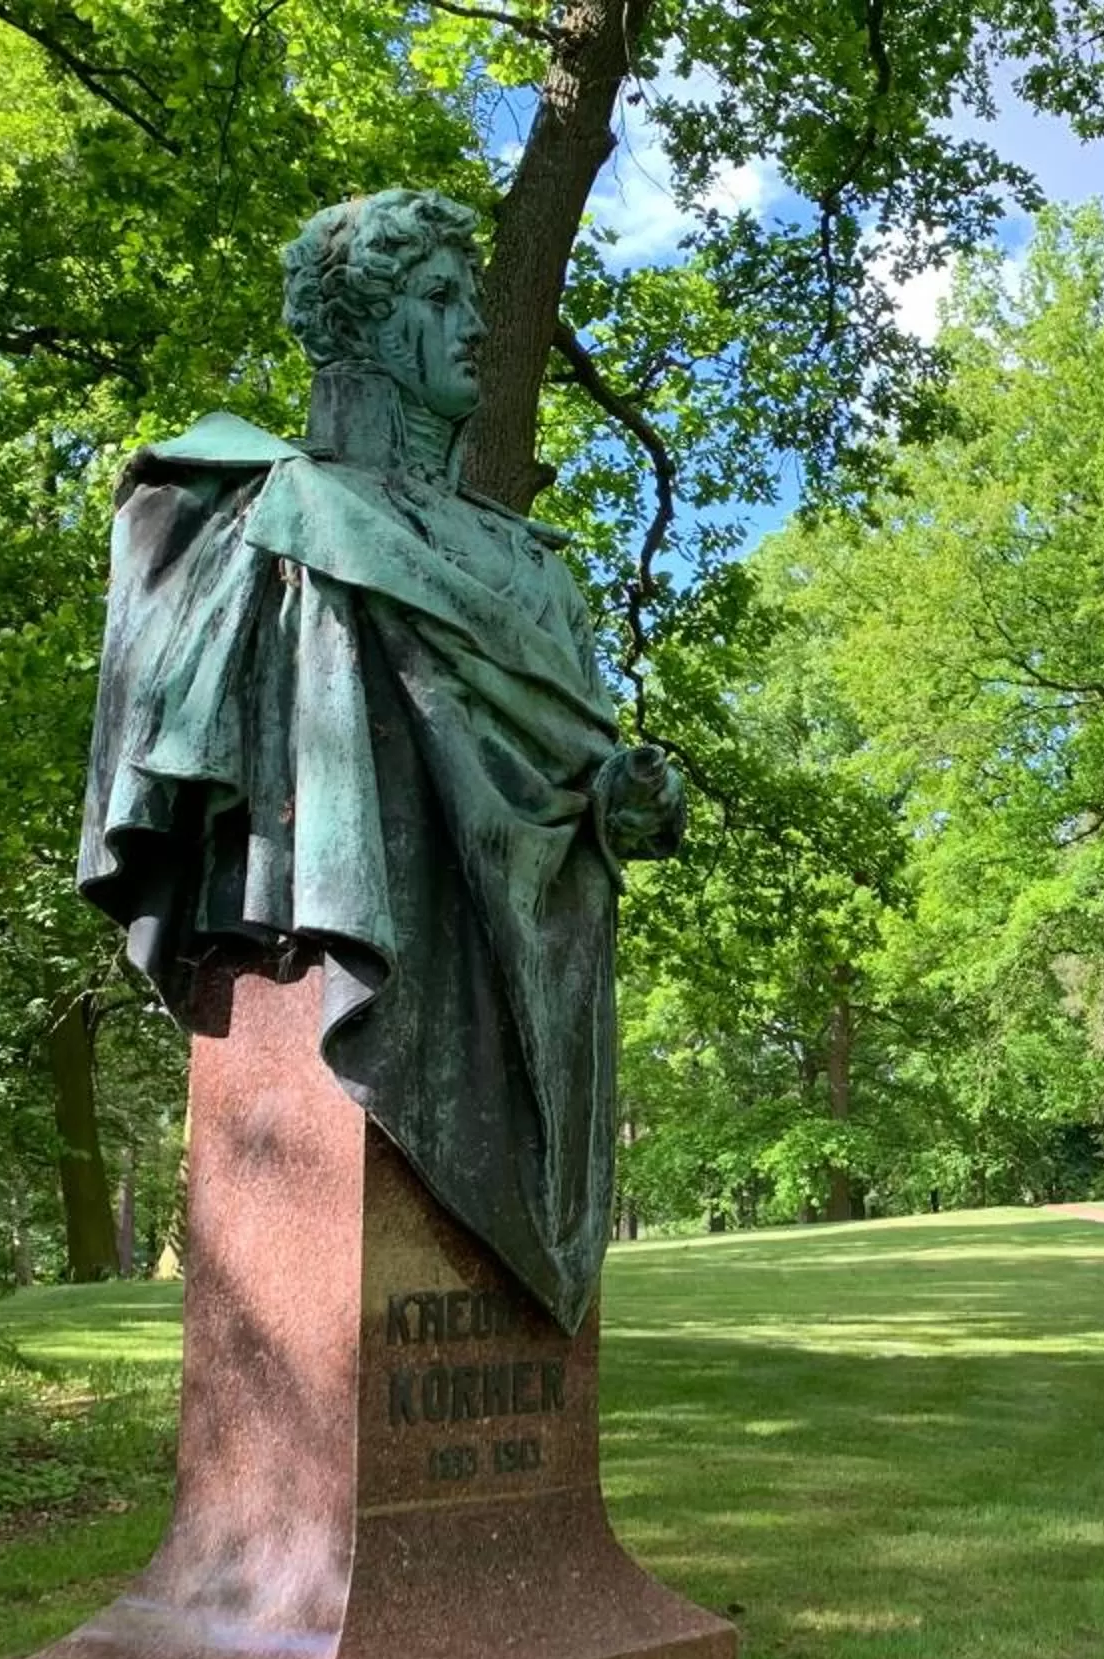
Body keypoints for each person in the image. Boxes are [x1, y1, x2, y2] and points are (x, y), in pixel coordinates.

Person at [78, 190, 679, 1331]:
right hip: (335, 941)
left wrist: (620, 795)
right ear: (360, 329)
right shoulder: (253, 516)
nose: (472, 328)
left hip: (526, 963)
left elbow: (568, 782)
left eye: (472, 300)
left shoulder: (533, 567)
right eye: (437, 298)